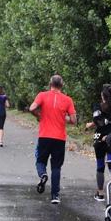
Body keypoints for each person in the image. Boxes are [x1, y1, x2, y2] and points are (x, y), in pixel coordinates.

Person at [28, 75, 77, 204]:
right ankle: (55, 196)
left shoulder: (42, 95)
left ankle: (43, 175)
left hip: (44, 136)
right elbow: (73, 120)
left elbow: (32, 108)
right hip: (59, 138)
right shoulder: (68, 100)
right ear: (62, 85)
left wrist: (38, 114)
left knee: (40, 161)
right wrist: (63, 117)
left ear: (50, 84)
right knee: (56, 167)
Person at [85, 84, 111, 201]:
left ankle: (100, 193)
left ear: (103, 96)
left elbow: (97, 121)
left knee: (100, 165)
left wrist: (89, 125)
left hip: (99, 139)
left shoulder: (98, 107)